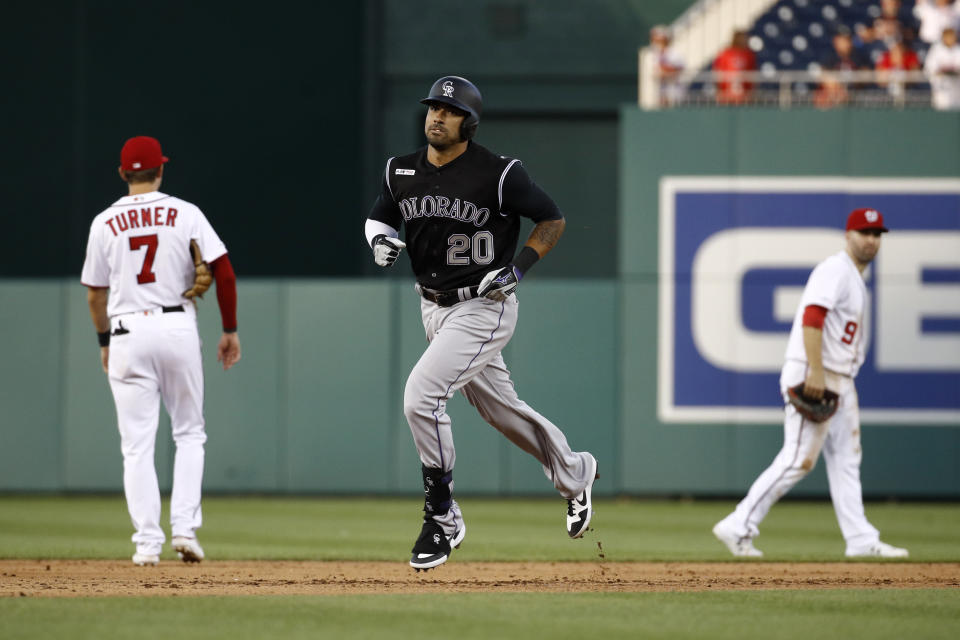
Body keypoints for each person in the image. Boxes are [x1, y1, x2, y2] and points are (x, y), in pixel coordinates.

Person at [364, 76, 598, 571]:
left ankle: (442, 516)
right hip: (432, 305)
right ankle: (576, 474)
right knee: (500, 411)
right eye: (433, 107)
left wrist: (518, 269)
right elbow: (380, 217)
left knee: (421, 398)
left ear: (468, 122)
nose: (437, 117)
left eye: (449, 111)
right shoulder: (400, 169)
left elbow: (551, 219)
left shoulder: (498, 173)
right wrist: (379, 240)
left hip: (482, 307)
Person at [81, 136, 241, 566]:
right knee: (189, 433)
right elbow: (223, 273)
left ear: (122, 173)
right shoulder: (185, 212)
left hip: (127, 331)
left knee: (136, 445)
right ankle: (185, 531)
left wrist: (103, 341)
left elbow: (96, 294)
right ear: (161, 170)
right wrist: (229, 329)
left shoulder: (103, 222)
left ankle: (147, 544)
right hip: (175, 326)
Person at [713, 208, 908, 559]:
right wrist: (815, 371)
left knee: (847, 459)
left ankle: (861, 539)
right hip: (815, 372)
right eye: (864, 232)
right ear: (847, 235)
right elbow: (812, 318)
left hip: (840, 378)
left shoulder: (855, 278)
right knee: (799, 458)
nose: (871, 239)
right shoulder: (836, 269)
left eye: (877, 233)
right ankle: (738, 524)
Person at [712, 30, 757, 105]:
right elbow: (719, 71)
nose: (744, 40)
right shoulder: (726, 53)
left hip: (744, 97)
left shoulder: (749, 55)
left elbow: (752, 74)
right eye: (742, 38)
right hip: (727, 96)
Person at [650, 25, 686, 106]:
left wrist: (663, 69)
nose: (655, 41)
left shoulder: (675, 53)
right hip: (659, 92)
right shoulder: (653, 54)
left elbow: (679, 68)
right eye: (654, 38)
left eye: (658, 38)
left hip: (674, 91)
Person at [924, 27, 960, 108]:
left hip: (957, 87)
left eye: (953, 36)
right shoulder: (936, 49)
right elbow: (930, 67)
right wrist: (942, 71)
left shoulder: (958, 49)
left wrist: (953, 71)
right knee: (942, 106)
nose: (951, 38)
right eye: (949, 36)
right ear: (944, 37)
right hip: (941, 87)